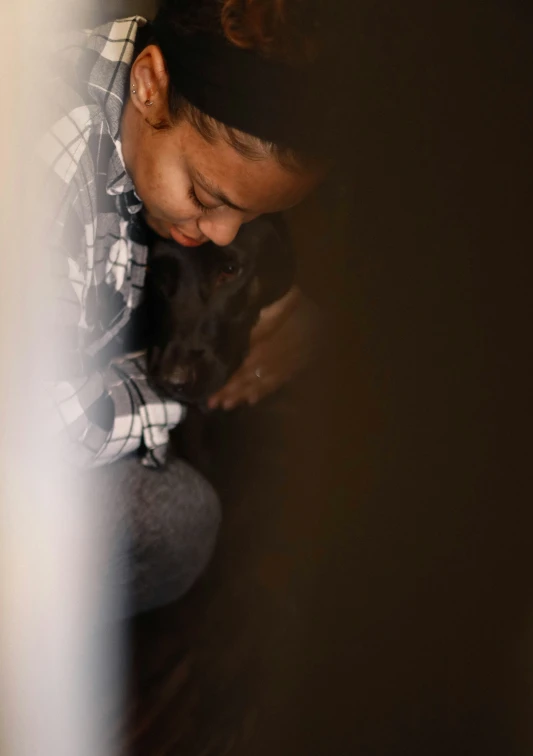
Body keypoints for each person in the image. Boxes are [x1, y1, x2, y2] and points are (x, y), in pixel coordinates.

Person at [41, 1, 329, 614]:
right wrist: (170, 392)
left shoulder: (152, 129)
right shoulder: (46, 170)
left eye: (250, 216)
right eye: (205, 195)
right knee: (181, 521)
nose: (223, 233)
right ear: (149, 85)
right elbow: (34, 431)